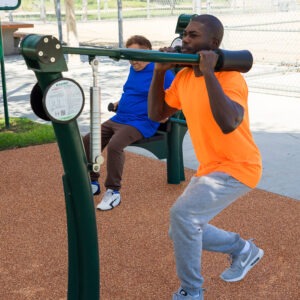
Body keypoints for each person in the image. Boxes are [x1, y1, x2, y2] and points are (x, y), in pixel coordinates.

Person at [148, 15, 264, 300]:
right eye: (185, 34)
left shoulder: (230, 77)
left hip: (239, 166)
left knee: (183, 216)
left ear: (212, 44)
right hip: (211, 167)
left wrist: (210, 72)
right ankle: (242, 250)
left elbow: (229, 122)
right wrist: (159, 71)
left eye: (193, 35)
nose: (185, 39)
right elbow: (156, 115)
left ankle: (192, 291)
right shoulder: (185, 76)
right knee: (181, 230)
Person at [83, 35, 174, 211]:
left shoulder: (162, 72)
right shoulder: (134, 69)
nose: (133, 61)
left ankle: (113, 192)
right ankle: (93, 181)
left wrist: (166, 113)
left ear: (148, 53)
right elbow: (132, 92)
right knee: (89, 139)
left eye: (137, 56)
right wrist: (119, 102)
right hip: (120, 117)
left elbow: (175, 97)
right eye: (130, 56)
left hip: (141, 122)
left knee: (115, 145)